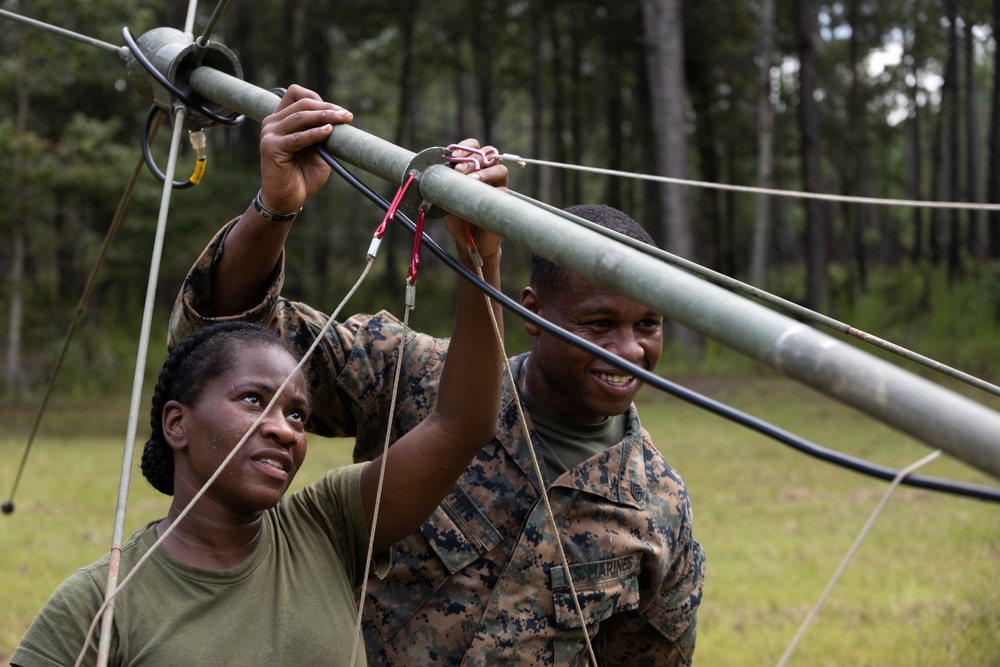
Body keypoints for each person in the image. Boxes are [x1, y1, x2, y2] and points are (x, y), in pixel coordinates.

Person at [168, 85, 704, 665]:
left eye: (648, 324)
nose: (628, 349)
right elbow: (222, 340)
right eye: (599, 323)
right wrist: (274, 210)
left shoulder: (658, 505)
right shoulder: (411, 373)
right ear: (531, 310)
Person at [10, 86, 507, 667]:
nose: (285, 430)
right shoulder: (99, 604)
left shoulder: (327, 528)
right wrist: (275, 205)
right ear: (177, 422)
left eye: (297, 413)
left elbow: (461, 426)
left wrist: (480, 256)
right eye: (254, 400)